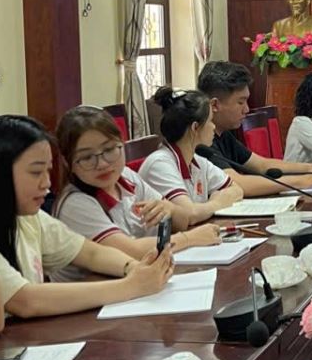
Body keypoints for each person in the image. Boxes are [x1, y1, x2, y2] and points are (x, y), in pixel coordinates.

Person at [0, 115, 172, 319]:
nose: (46, 184)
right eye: (36, 172)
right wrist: (132, 285)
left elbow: (90, 253)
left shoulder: (30, 218)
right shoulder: (73, 201)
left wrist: (133, 268)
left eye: (48, 171)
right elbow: (25, 301)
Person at [54, 106, 221, 278]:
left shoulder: (127, 177)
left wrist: (170, 209)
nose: (102, 163)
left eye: (109, 149)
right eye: (87, 157)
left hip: (140, 281)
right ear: (69, 163)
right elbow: (131, 252)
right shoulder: (75, 203)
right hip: (98, 291)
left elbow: (182, 220)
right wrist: (190, 238)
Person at [197, 61, 312, 195]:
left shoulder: (223, 133)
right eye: (240, 102)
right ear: (215, 105)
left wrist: (311, 168)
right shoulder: (201, 139)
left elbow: (261, 165)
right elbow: (235, 183)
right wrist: (302, 181)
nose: (246, 109)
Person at [138, 88, 244, 222]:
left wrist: (206, 207)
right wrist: (217, 203)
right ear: (195, 127)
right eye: (210, 121)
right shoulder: (159, 164)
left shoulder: (198, 161)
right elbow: (189, 214)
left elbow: (237, 190)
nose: (213, 126)